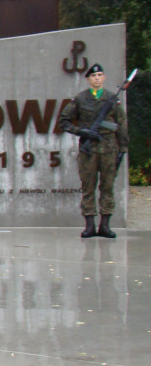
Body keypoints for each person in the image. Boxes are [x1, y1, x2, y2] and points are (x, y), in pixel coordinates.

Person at [57, 63, 128, 238]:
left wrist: (123, 147)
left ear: (103, 78)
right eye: (94, 76)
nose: (97, 78)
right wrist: (81, 131)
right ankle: (89, 225)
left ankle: (105, 225)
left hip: (109, 148)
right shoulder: (80, 99)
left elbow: (122, 124)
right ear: (89, 79)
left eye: (100, 75)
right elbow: (63, 121)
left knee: (107, 187)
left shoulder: (112, 99)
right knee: (88, 187)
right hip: (88, 149)